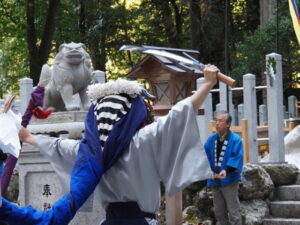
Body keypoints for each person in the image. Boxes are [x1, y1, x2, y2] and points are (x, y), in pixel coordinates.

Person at [0, 65, 219, 225]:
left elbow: (54, 145)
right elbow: (180, 113)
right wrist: (207, 84)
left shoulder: (89, 154)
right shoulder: (144, 141)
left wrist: (22, 133)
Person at [204, 111, 243, 225]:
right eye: (216, 120)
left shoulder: (236, 139)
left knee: (233, 212)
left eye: (220, 121)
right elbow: (203, 156)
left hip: (229, 180)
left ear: (228, 124)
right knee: (219, 212)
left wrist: (226, 170)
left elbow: (237, 157)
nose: (217, 123)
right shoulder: (211, 139)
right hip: (214, 179)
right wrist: (208, 169)